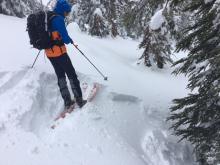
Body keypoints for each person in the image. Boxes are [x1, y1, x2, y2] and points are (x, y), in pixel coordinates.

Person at [45, 0, 86, 109]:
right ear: (63, 10)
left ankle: (67, 101)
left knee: (60, 76)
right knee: (71, 75)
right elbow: (65, 37)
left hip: (49, 53)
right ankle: (79, 100)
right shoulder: (58, 19)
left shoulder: (49, 17)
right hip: (59, 52)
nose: (67, 14)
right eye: (67, 12)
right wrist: (69, 40)